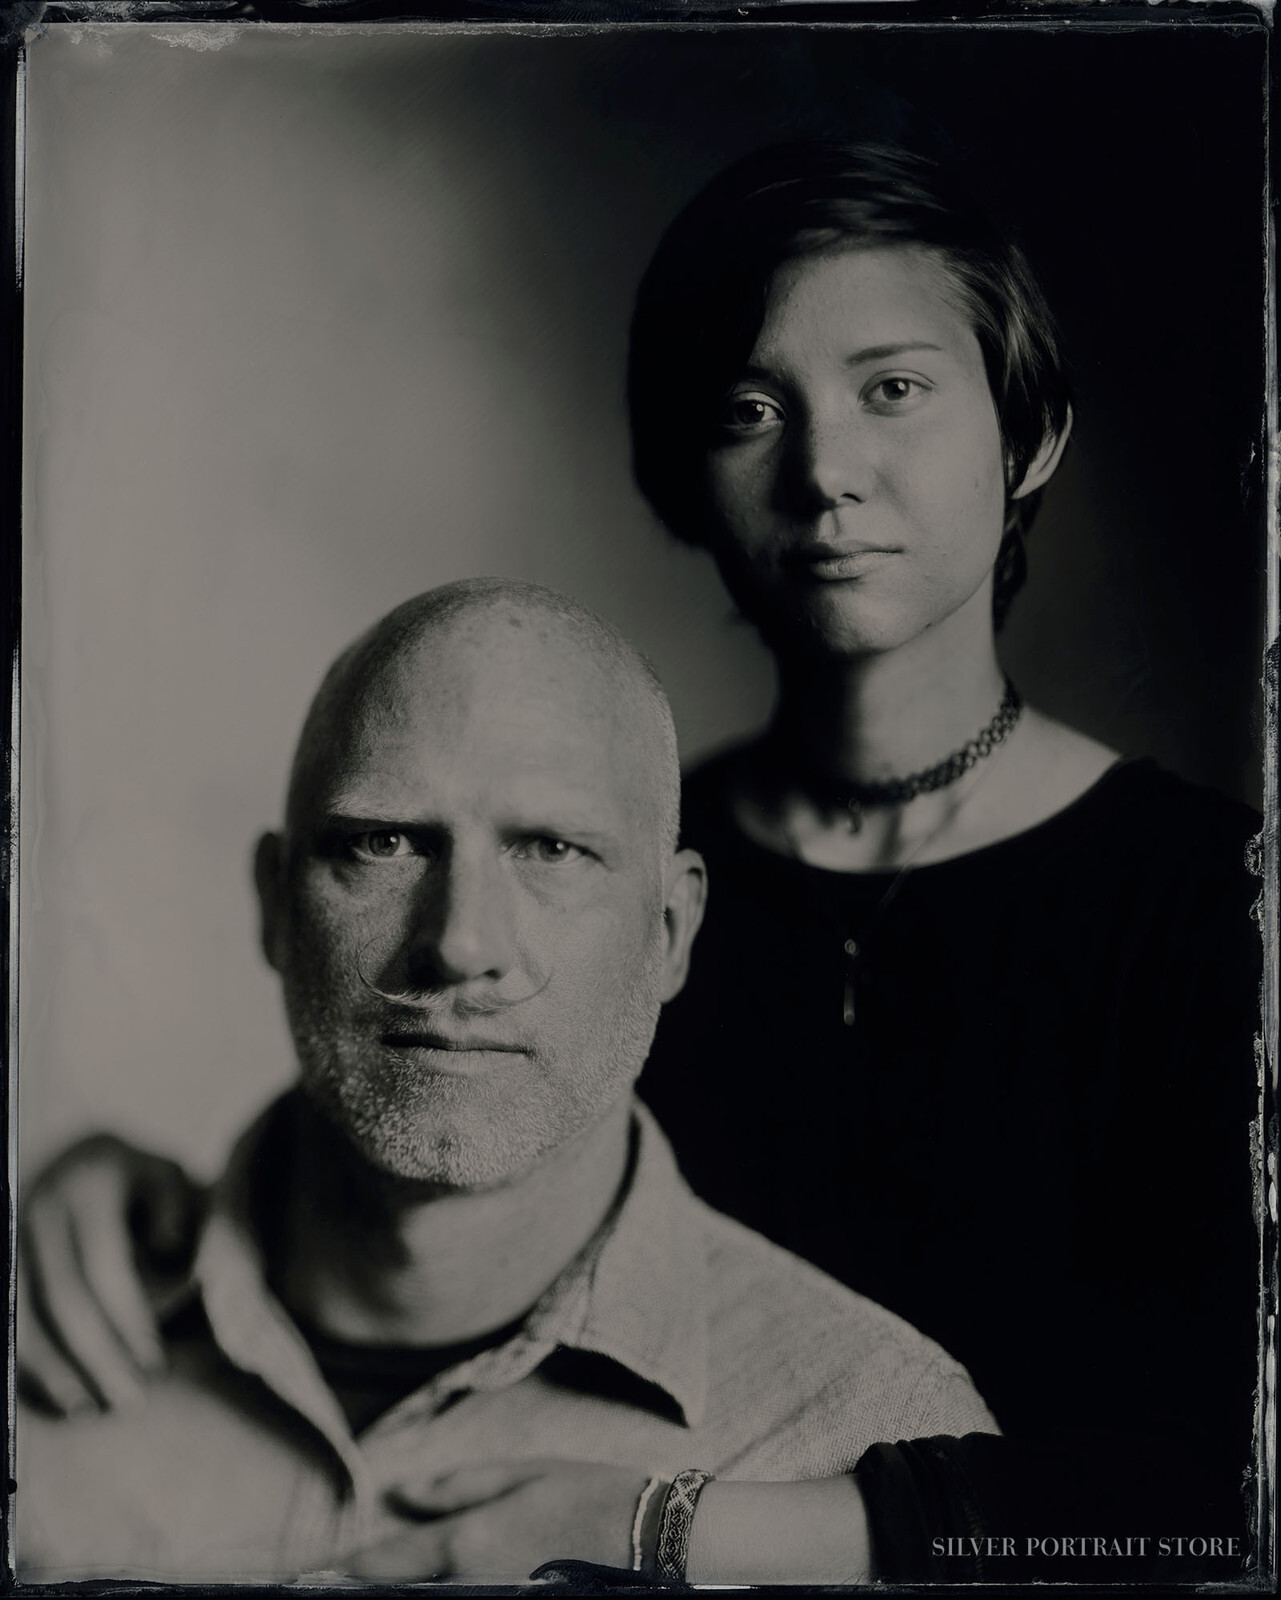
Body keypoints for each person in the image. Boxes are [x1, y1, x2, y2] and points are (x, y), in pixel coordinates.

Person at [20, 143, 1265, 1582]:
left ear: (1030, 436)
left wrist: (663, 1526)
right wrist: (117, 1186)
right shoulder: (591, 871)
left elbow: (1226, 1496)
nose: (823, 472)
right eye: (750, 409)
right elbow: (415, 1142)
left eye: (894, 390)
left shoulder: (1213, 904)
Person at [15, 579, 999, 1585]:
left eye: (552, 850)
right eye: (384, 842)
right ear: (275, 904)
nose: (460, 942)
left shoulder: (871, 1439)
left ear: (670, 934)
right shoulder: (35, 1347)